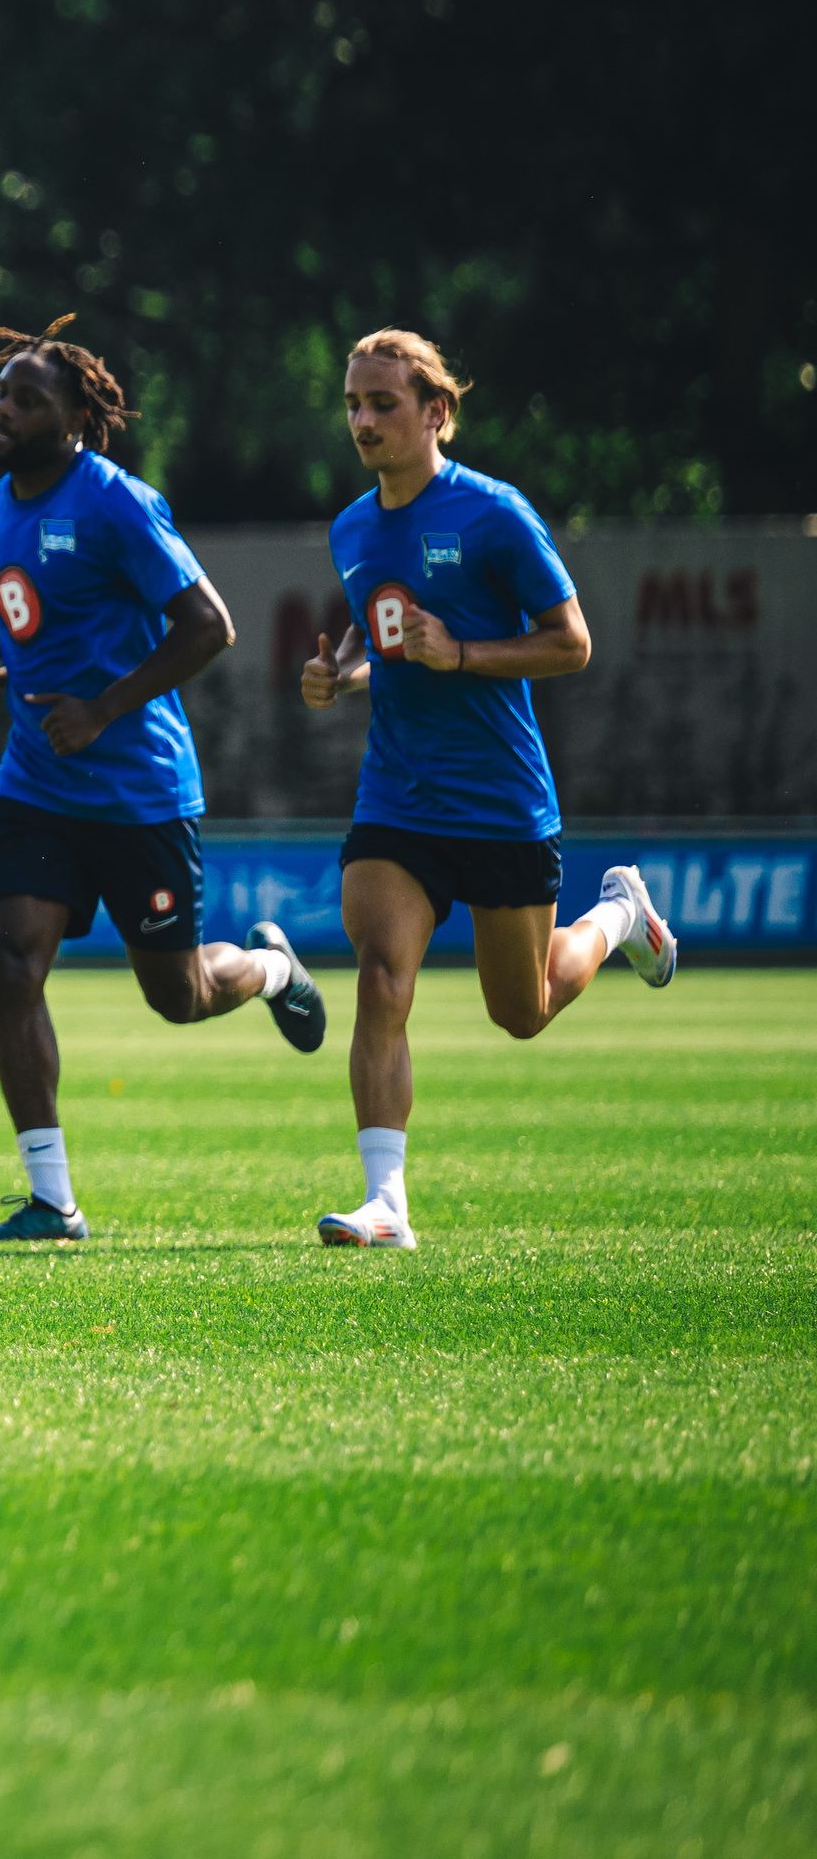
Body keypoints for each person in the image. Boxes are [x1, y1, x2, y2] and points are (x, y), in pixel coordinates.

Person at [0, 317, 325, 1246]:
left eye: (27, 398)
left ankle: (267, 968)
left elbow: (209, 626)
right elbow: (31, 639)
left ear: (73, 421)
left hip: (137, 789)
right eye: (0, 393)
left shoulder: (116, 504)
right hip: (34, 782)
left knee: (176, 996)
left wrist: (102, 710)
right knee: (11, 960)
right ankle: (52, 1201)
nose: (4, 409)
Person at [296, 328, 674, 1247]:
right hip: (398, 796)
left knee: (524, 1011)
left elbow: (572, 641)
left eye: (382, 403)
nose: (363, 420)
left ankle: (618, 915)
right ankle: (387, 1202)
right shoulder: (352, 527)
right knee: (383, 980)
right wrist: (338, 673)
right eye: (352, 403)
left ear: (437, 414)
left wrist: (461, 653)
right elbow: (370, 628)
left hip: (502, 798)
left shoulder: (495, 515)